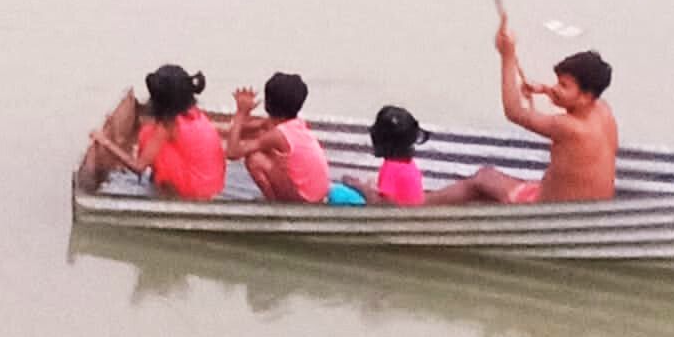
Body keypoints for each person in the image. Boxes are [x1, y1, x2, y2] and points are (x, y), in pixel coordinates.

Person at [426, 16, 617, 204]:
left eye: (563, 85)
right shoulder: (602, 110)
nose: (555, 88)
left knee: (483, 178)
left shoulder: (568, 127)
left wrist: (507, 56)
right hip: (594, 205)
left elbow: (514, 112)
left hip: (556, 210)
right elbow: (572, 100)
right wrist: (543, 89)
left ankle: (419, 206)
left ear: (586, 96)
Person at [90, 65, 226, 200]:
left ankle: (165, 192)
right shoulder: (196, 114)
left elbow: (139, 167)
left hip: (193, 192)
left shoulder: (168, 124)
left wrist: (105, 142)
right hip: (213, 187)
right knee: (152, 135)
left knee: (148, 134)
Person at [226, 72, 331, 203]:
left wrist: (241, 113)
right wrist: (243, 115)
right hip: (316, 196)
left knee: (255, 158)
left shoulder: (278, 134)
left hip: (306, 201)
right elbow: (244, 129)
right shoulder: (294, 124)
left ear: (267, 103)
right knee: (260, 143)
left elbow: (232, 152)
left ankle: (275, 206)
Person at [341, 105, 430, 205]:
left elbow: (383, 205)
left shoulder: (392, 168)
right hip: (410, 212)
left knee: (339, 194)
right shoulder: (410, 165)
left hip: (398, 214)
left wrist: (360, 188)